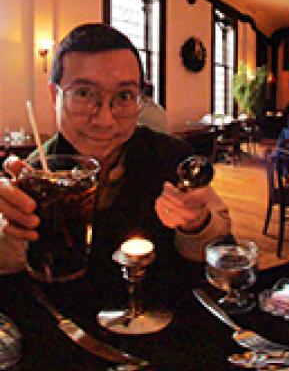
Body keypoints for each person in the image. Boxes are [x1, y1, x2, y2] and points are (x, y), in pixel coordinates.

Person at [0, 23, 232, 293]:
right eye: (84, 93)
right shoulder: (34, 173)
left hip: (159, 314)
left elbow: (220, 250)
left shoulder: (171, 157)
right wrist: (12, 231)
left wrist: (197, 224)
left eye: (123, 96)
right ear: (55, 96)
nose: (105, 119)